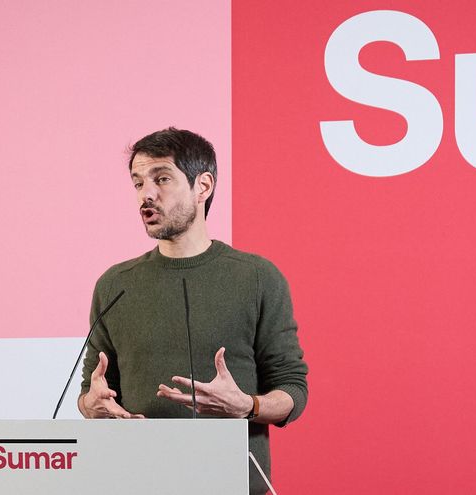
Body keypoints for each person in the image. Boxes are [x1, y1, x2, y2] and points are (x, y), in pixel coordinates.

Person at [78, 127, 308, 494]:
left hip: (233, 484)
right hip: (138, 482)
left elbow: (293, 391)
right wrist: (92, 405)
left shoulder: (258, 277)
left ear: (203, 186)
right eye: (138, 183)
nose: (146, 194)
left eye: (162, 178)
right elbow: (94, 393)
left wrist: (246, 405)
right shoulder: (114, 284)